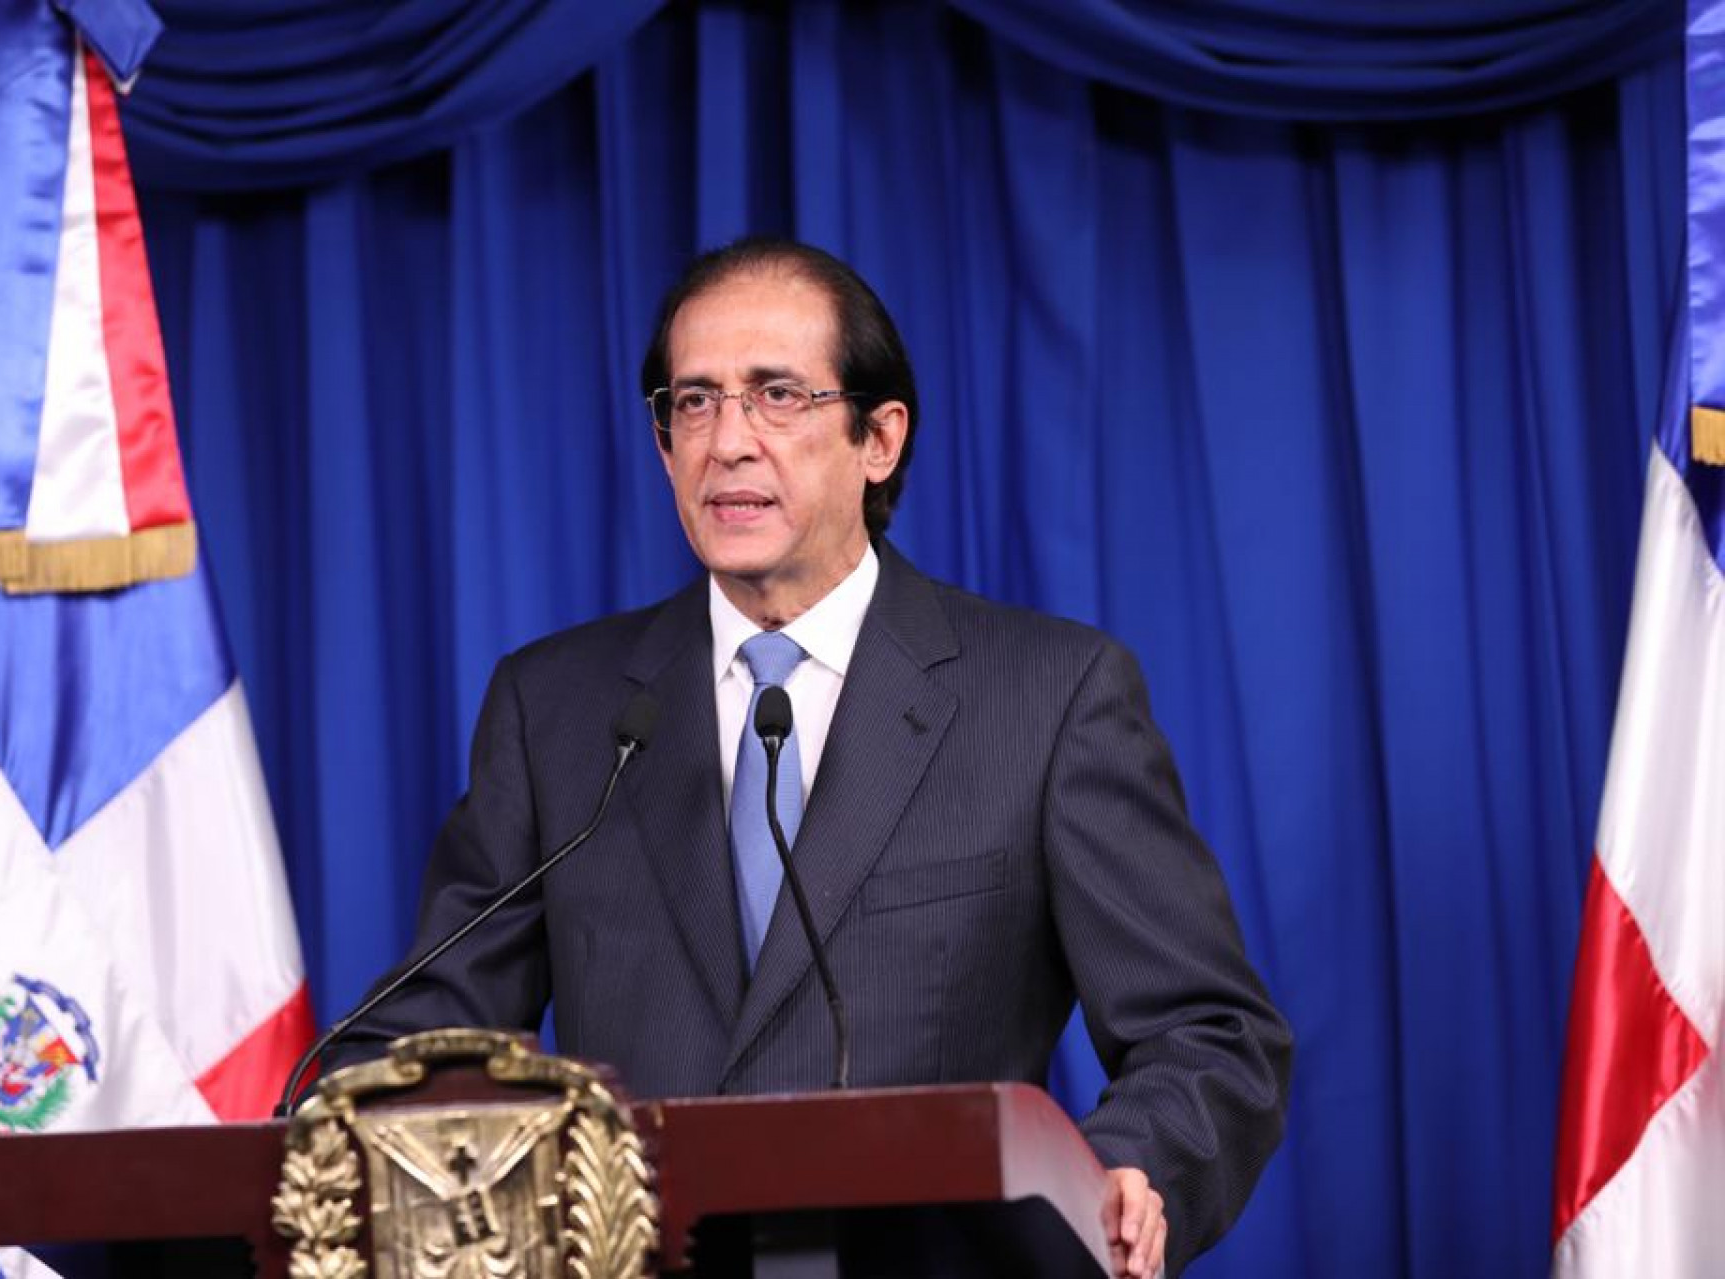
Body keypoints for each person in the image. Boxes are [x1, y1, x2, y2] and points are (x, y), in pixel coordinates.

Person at [333, 238, 1292, 1278]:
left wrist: (1126, 1168)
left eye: (777, 396)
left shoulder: (1048, 697)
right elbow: (425, 1040)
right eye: (693, 402)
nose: (727, 443)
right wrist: (329, 1120)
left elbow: (1208, 1030)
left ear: (879, 438)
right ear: (663, 444)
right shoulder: (556, 707)